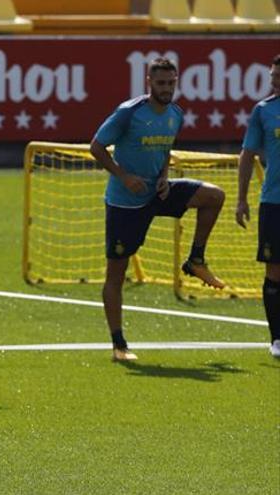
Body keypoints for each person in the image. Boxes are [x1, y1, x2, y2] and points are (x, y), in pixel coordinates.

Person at [90, 57, 226, 362]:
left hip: (157, 192)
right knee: (116, 275)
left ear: (176, 82)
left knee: (214, 197)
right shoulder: (129, 113)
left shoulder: (175, 114)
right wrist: (123, 176)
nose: (166, 89)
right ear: (149, 84)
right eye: (160, 83)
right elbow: (96, 147)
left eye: (170, 83)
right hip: (125, 202)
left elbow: (165, 150)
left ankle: (196, 259)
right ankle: (118, 344)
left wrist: (164, 177)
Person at [237, 54, 280, 358]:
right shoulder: (263, 111)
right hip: (274, 202)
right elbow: (247, 154)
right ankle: (277, 338)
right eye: (273, 76)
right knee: (274, 271)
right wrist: (241, 199)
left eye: (279, 76)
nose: (274, 81)